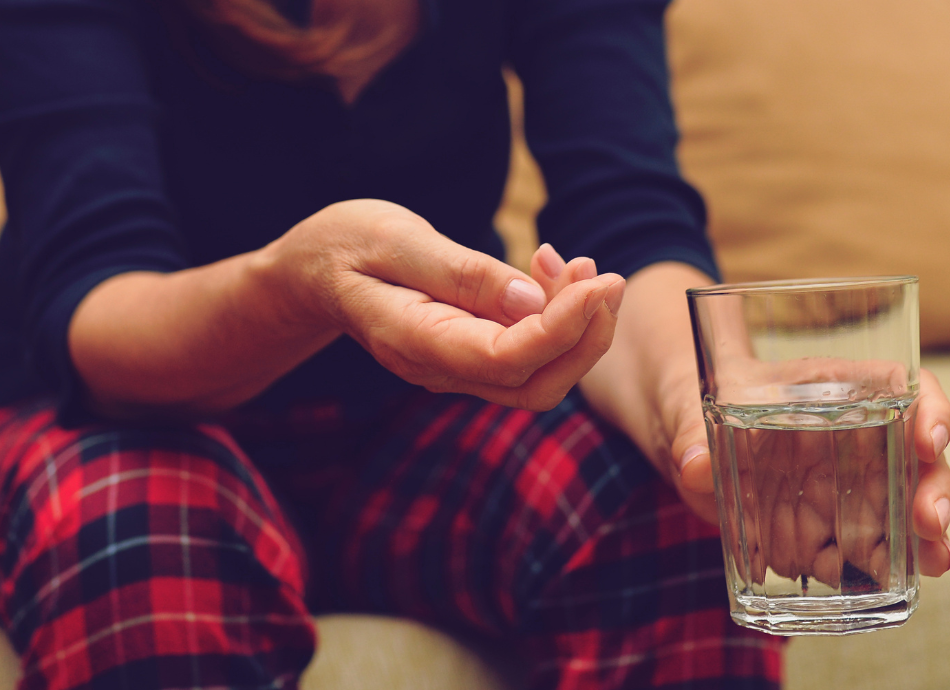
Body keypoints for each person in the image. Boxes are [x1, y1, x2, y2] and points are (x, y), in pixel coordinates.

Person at [1, 0, 948, 688]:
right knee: (134, 530)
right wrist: (302, 289)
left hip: (418, 419)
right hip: (134, 408)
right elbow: (91, 306)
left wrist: (711, 413)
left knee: (665, 519)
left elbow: (625, 214)